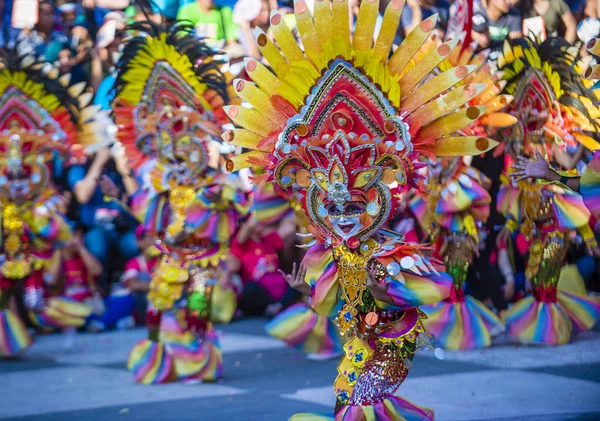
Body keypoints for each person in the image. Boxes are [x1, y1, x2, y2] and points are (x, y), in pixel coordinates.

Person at [225, 3, 498, 419]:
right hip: (356, 348)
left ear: (372, 200)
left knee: (359, 406)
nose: (342, 215)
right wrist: (306, 292)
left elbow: (437, 289)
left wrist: (383, 285)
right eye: (333, 207)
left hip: (391, 345)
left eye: (351, 205)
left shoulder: (389, 251)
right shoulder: (333, 252)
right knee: (345, 405)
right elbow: (333, 304)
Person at [113, 20, 247, 384]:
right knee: (156, 309)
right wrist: (125, 199)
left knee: (198, 310)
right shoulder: (161, 181)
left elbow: (237, 204)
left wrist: (217, 198)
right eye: (171, 150)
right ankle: (159, 358)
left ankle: (200, 361)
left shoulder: (214, 181)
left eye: (186, 149)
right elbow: (148, 216)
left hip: (203, 257)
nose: (178, 157)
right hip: (170, 255)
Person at [0, 50, 108, 358]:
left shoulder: (43, 200)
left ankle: (197, 340)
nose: (17, 182)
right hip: (8, 252)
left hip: (200, 263)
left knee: (191, 306)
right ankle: (9, 342)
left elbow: (56, 230)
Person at [496, 37, 600, 345]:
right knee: (534, 282)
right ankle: (545, 327)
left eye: (535, 104)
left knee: (546, 284)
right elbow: (516, 193)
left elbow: (570, 173)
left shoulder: (552, 138)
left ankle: (550, 330)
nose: (530, 111)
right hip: (536, 228)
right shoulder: (518, 145)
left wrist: (580, 145)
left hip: (557, 228)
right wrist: (511, 226)